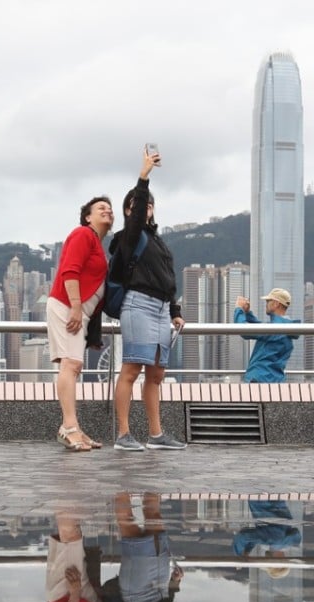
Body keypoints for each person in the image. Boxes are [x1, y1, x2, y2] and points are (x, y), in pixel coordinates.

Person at [110, 147, 186, 451]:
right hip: (138, 305)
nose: (145, 208)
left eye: (149, 204)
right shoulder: (128, 237)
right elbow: (137, 211)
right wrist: (143, 177)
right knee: (131, 370)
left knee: (156, 374)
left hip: (161, 309)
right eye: (139, 205)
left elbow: (168, 278)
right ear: (129, 210)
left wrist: (175, 311)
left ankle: (156, 435)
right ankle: (123, 435)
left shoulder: (159, 242)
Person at [47, 197, 113, 451]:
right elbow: (70, 270)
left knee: (73, 366)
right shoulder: (83, 234)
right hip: (67, 306)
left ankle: (74, 427)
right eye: (101, 208)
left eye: (110, 209)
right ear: (87, 217)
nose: (108, 211)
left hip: (78, 312)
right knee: (70, 364)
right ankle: (69, 428)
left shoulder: (96, 244)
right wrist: (75, 306)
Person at [234, 289, 300, 383]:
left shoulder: (276, 329)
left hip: (260, 379)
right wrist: (248, 313)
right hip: (273, 379)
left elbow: (243, 330)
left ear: (276, 303)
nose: (266, 304)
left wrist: (238, 309)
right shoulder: (284, 327)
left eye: (268, 301)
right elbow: (261, 327)